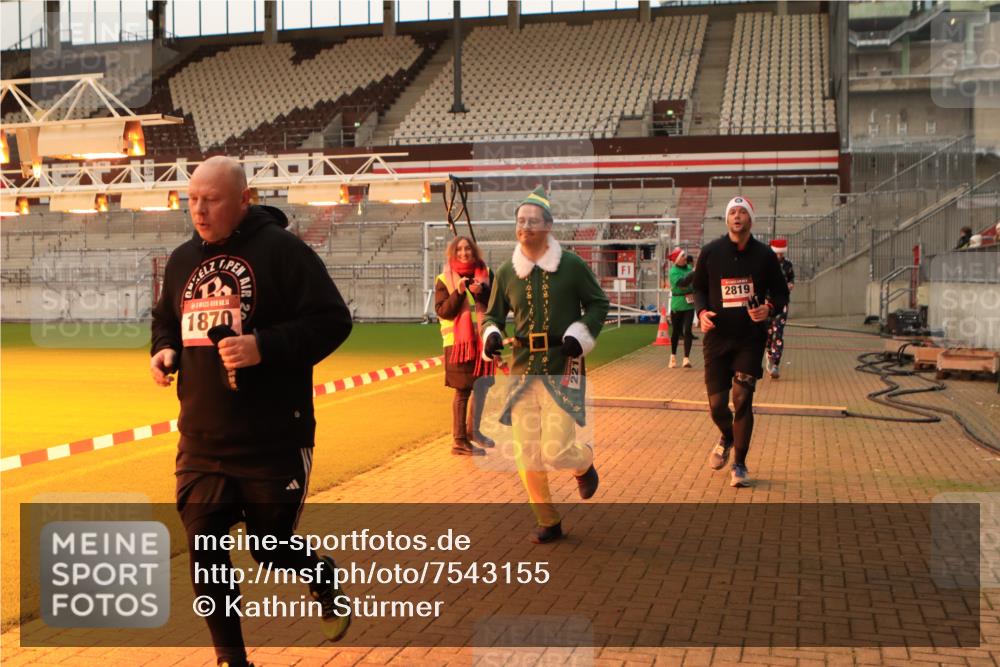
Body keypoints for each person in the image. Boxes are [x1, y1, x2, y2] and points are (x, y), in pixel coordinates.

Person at [150, 156, 354, 667]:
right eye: (192, 199)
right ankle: (231, 659)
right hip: (202, 440)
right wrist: (164, 350)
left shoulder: (284, 252)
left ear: (243, 199)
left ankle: (319, 574)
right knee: (205, 559)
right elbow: (164, 320)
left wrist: (264, 345)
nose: (198, 209)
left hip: (273, 439)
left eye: (211, 199)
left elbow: (333, 321)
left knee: (269, 548)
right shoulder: (180, 261)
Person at [481, 187, 609, 544]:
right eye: (521, 221)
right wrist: (491, 333)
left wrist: (579, 334)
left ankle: (582, 461)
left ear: (549, 226)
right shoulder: (507, 270)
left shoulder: (572, 265)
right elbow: (492, 314)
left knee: (555, 450)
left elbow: (599, 303)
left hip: (563, 366)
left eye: (533, 221)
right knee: (527, 454)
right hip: (522, 372)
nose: (526, 226)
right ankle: (548, 519)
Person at [692, 196, 789, 488]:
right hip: (717, 339)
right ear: (726, 219)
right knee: (718, 406)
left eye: (742, 212)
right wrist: (701, 311)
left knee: (742, 399)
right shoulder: (710, 252)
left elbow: (781, 293)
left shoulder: (765, 256)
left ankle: (740, 464)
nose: (737, 216)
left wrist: (768, 308)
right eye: (732, 212)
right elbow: (698, 288)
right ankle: (728, 436)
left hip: (749, 338)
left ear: (750, 219)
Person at [435, 235, 496, 456]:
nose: (463, 253)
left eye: (467, 249)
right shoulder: (444, 278)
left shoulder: (486, 274)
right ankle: (459, 440)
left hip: (483, 342)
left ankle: (474, 432)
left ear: (474, 251)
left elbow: (498, 304)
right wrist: (459, 292)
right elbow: (443, 311)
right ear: (453, 253)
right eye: (459, 249)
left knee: (482, 387)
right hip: (458, 345)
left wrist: (484, 293)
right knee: (463, 391)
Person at [765, 238, 795, 379]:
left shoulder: (788, 265)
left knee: (778, 333)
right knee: (768, 333)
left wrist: (790, 285)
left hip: (781, 304)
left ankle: (776, 363)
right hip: (766, 303)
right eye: (777, 254)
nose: (779, 256)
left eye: (781, 254)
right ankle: (769, 354)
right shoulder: (766, 264)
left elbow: (791, 279)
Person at [667, 246, 695, 369]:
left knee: (688, 330)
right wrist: (691, 276)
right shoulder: (673, 271)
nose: (685, 258)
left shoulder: (689, 268)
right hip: (677, 304)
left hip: (689, 303)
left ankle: (686, 358)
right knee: (676, 332)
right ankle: (673, 356)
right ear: (677, 260)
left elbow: (690, 283)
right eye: (682, 256)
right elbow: (682, 283)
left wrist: (689, 281)